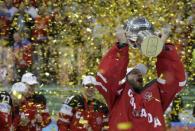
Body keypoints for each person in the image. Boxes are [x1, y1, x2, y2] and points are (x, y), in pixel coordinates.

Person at [95, 17, 186, 131]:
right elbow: (107, 77)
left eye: (140, 74)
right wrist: (121, 47)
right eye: (135, 73)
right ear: (125, 77)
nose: (140, 76)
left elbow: (177, 80)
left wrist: (162, 49)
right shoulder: (117, 96)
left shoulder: (157, 95)